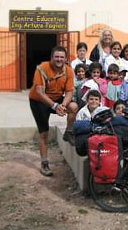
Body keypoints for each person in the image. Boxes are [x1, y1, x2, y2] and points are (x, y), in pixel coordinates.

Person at [29, 46, 78, 176]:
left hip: (56, 99)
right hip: (39, 100)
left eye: (62, 57)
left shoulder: (68, 71)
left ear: (66, 59)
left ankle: (68, 132)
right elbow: (39, 92)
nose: (59, 59)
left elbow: (69, 91)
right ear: (51, 58)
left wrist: (63, 104)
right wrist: (55, 106)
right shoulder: (42, 68)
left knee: (73, 107)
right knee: (44, 133)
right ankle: (44, 163)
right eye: (56, 57)